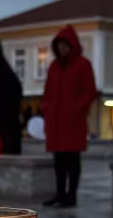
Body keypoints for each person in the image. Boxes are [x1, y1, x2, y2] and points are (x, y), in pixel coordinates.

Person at [41, 25, 97, 207]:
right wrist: (46, 109)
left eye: (65, 45)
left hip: (73, 121)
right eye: (59, 46)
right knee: (59, 160)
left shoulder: (82, 65)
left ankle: (71, 195)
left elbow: (90, 91)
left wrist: (76, 109)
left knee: (72, 159)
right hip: (56, 121)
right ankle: (59, 193)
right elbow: (48, 91)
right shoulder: (54, 67)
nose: (61, 49)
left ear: (72, 46)